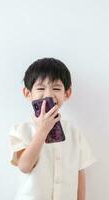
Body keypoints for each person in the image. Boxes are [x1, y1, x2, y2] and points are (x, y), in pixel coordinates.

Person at [8, 57, 97, 200]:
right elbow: (24, 166)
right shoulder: (21, 130)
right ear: (27, 93)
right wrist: (42, 131)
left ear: (67, 94)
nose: (48, 94)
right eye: (41, 88)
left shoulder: (74, 132)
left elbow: (80, 173)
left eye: (56, 88)